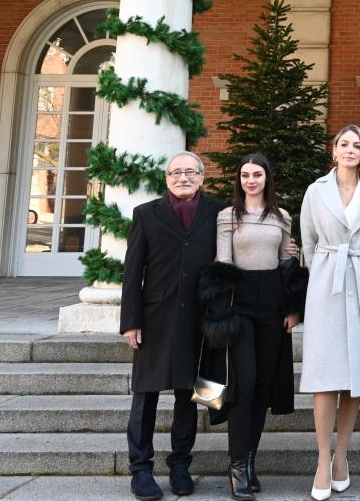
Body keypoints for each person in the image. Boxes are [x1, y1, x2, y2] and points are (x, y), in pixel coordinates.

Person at [121, 151, 223, 501]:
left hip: (201, 319)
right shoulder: (146, 214)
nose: (183, 177)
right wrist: (130, 321)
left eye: (190, 172)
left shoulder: (218, 212)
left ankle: (180, 464)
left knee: (190, 393)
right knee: (145, 394)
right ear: (166, 178)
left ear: (201, 176)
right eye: (176, 172)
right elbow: (133, 272)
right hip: (155, 319)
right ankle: (141, 469)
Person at [201, 154, 299, 499]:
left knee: (263, 385)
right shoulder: (227, 216)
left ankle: (251, 459)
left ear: (267, 178)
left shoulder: (281, 216)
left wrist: (292, 309)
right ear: (239, 180)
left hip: (272, 304)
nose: (251, 180)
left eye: (257, 174)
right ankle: (237, 465)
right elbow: (223, 262)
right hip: (238, 303)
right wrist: (220, 312)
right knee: (243, 383)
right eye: (245, 175)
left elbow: (287, 264)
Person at [299, 125, 360, 500]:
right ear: (334, 150)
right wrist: (327, 268)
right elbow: (308, 241)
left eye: (357, 145)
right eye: (344, 144)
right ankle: (322, 458)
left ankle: (342, 455)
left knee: (356, 376)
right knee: (324, 375)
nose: (350, 150)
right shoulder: (316, 190)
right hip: (326, 284)